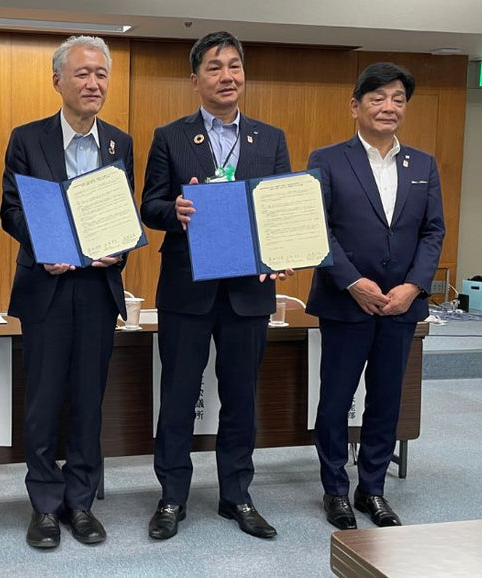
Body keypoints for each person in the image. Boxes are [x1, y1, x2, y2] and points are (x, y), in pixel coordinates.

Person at [139, 31, 291, 541]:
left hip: (249, 291)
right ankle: (172, 497)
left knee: (241, 396)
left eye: (234, 66)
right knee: (178, 394)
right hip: (188, 288)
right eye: (214, 68)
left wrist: (281, 255)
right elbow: (150, 204)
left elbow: (278, 210)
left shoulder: (270, 139)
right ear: (195, 79)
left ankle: (237, 495)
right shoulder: (171, 136)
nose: (227, 76)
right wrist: (173, 210)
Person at [0, 35, 135, 549]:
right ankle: (44, 506)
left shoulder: (119, 142)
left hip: (98, 288)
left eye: (101, 73)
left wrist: (120, 250)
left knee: (87, 401)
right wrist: (44, 245)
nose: (93, 83)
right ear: (58, 80)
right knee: (42, 401)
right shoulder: (28, 138)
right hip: (47, 287)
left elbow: (125, 213)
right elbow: (12, 208)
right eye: (82, 73)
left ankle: (81, 501)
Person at [307, 62, 444, 530]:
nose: (389, 107)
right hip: (347, 302)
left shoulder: (423, 164)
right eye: (377, 98)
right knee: (336, 400)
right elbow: (316, 229)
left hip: (401, 306)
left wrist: (413, 286)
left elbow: (433, 231)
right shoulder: (326, 159)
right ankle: (335, 490)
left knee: (387, 400)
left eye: (398, 99)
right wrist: (352, 281)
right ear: (355, 106)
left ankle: (372, 489)